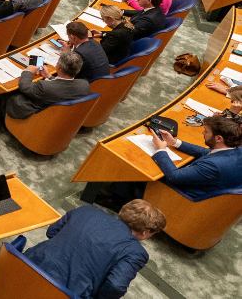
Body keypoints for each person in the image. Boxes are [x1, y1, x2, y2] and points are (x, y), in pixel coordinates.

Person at [23, 202, 165, 299]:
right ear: (146, 232)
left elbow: (52, 231)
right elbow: (115, 286)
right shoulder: (136, 252)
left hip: (25, 265)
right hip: (63, 293)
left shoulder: (86, 210)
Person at [0, 51, 90, 132]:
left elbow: (24, 86)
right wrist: (49, 77)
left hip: (33, 112)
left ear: (58, 67)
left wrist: (28, 71)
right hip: (55, 116)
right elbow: (63, 87)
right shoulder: (84, 85)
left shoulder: (44, 87)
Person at [149, 115, 242, 196]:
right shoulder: (237, 150)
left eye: (206, 131)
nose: (203, 133)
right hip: (213, 189)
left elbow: (174, 176)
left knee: (145, 177)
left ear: (219, 138)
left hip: (182, 196)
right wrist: (174, 142)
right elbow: (208, 152)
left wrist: (160, 150)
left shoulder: (213, 166)